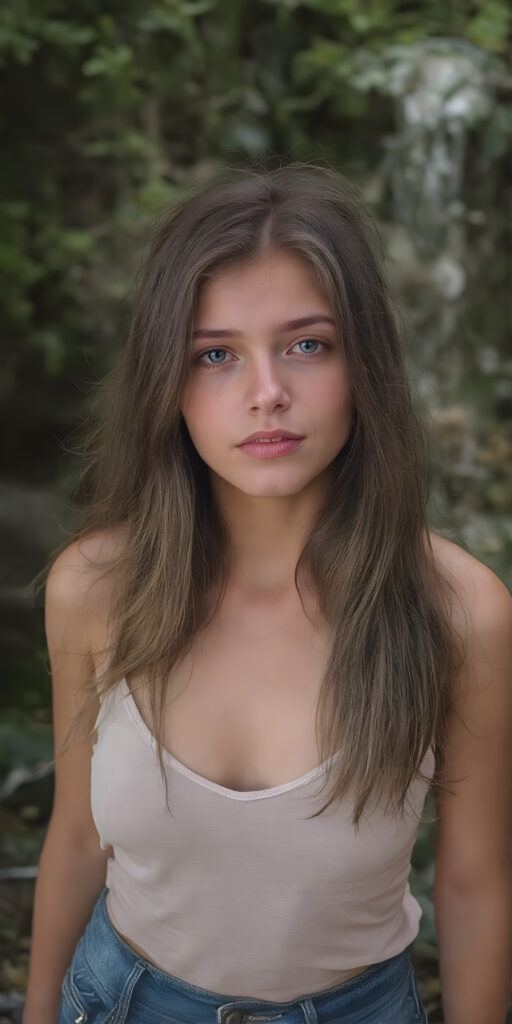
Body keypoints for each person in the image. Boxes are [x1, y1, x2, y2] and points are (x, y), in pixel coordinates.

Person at [23, 162, 512, 1024]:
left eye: (307, 344)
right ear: (166, 386)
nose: (267, 394)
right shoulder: (95, 587)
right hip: (120, 1002)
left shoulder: (459, 612)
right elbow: (73, 839)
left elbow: (473, 886)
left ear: (365, 364)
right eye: (216, 355)